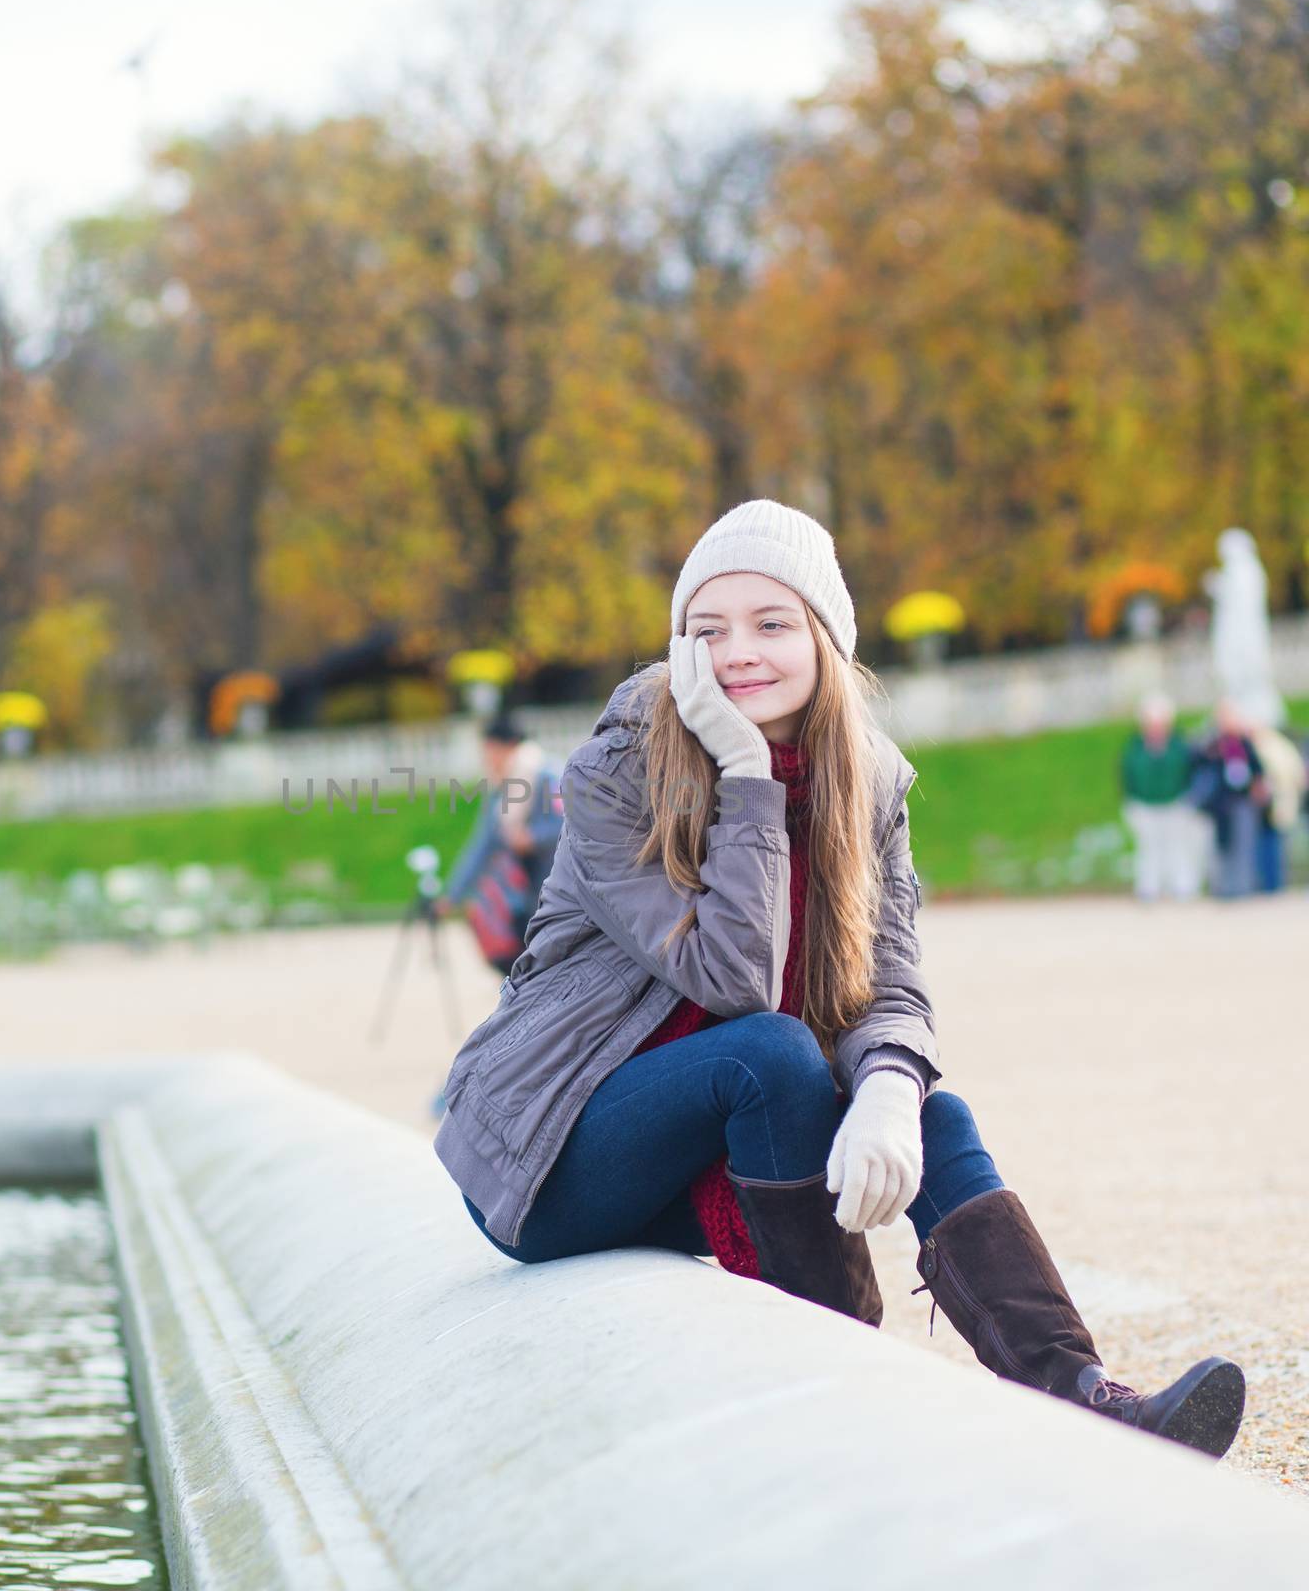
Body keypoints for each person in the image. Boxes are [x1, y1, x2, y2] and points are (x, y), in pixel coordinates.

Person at [433, 499, 1246, 1459]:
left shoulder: (869, 787)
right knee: (770, 1052)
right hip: (557, 1157)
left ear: (826, 638)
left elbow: (889, 983)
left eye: (772, 624)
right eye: (709, 629)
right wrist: (746, 775)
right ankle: (853, 1387)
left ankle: (1083, 1391)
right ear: (680, 650)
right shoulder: (617, 772)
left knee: (930, 1115)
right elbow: (733, 980)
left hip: (722, 1144)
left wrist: (892, 1091)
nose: (739, 651)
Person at [435, 713, 565, 975]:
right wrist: (452, 894)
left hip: (556, 888)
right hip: (524, 895)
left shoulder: (549, 775)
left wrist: (532, 837)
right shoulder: (501, 787)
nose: (486, 759)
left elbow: (571, 824)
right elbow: (482, 844)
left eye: (488, 751)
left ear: (503, 746)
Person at [1119, 693, 1201, 901]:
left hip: (1175, 802)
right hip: (1145, 804)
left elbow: (1188, 772)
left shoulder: (1179, 745)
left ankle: (1183, 887)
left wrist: (1186, 797)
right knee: (1149, 848)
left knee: (1178, 846)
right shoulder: (1135, 747)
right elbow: (1127, 776)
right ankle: (1149, 888)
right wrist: (1132, 802)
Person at [1190, 700, 1268, 899]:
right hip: (1220, 805)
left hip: (1242, 800)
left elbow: (1257, 769)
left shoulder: (1245, 742)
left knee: (1244, 845)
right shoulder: (1212, 743)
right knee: (1221, 847)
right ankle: (1223, 888)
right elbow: (1197, 763)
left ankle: (1242, 887)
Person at [1248, 720, 1306, 893]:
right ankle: (1271, 884)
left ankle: (1273, 885)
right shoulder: (1278, 745)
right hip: (1269, 804)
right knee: (1268, 845)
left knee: (1272, 845)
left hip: (1275, 802)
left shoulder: (1272, 747)